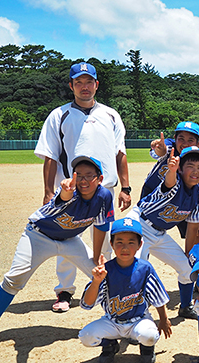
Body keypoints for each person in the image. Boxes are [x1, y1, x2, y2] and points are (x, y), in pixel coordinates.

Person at [0, 157, 114, 349]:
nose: (83, 180)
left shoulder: (104, 196)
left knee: (103, 275)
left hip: (70, 240)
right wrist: (66, 191)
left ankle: (120, 322)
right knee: (15, 278)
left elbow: (101, 226)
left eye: (88, 176)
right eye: (79, 175)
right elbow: (62, 198)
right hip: (39, 237)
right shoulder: (68, 190)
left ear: (99, 179)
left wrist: (96, 257)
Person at [34, 61, 131, 313]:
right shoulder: (59, 114)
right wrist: (48, 192)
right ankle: (65, 291)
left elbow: (120, 153)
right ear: (71, 86)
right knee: (66, 237)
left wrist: (126, 187)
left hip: (104, 188)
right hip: (70, 190)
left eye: (89, 82)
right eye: (79, 82)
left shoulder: (111, 114)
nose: (84, 87)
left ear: (96, 85)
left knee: (106, 239)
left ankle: (104, 285)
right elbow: (50, 156)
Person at [125, 147, 199, 320]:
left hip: (159, 233)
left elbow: (192, 228)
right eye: (190, 166)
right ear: (180, 169)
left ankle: (185, 307)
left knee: (187, 268)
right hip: (138, 225)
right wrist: (171, 171)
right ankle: (133, 318)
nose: (196, 171)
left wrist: (188, 255)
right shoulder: (174, 181)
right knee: (136, 272)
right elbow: (169, 183)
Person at [78, 218, 171, 363]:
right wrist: (96, 281)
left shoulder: (145, 268)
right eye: (119, 242)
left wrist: (163, 319)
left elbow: (158, 297)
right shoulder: (106, 270)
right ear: (112, 244)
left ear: (140, 245)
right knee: (86, 336)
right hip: (112, 321)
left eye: (131, 242)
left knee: (150, 336)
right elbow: (87, 304)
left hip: (138, 320)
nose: (125, 247)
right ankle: (110, 345)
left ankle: (146, 348)